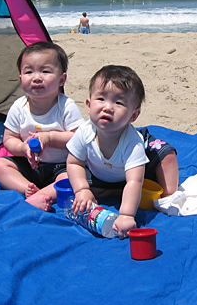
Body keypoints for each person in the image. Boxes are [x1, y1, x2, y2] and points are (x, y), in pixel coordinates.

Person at [66, 65, 178, 237]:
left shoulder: (133, 143)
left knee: (166, 155)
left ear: (133, 116)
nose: (108, 107)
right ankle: (114, 189)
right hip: (103, 170)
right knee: (73, 183)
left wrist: (126, 214)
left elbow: (134, 181)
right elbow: (74, 162)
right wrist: (82, 190)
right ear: (88, 105)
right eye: (101, 99)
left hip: (140, 167)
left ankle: (170, 193)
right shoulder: (84, 132)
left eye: (118, 102)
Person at [0, 41, 85, 211]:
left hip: (60, 165)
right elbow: (9, 138)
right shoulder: (19, 107)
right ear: (21, 78)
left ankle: (40, 196)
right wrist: (22, 147)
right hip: (29, 165)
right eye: (29, 71)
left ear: (61, 79)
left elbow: (79, 138)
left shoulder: (65, 106)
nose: (36, 77)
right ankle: (28, 189)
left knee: (73, 178)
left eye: (45, 71)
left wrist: (50, 137)